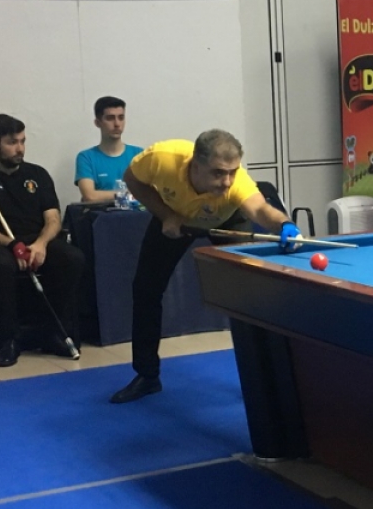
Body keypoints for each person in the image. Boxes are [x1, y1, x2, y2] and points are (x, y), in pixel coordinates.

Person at [109, 130, 302, 403]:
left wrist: (285, 224)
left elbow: (260, 210)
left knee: (248, 297)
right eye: (218, 173)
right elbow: (133, 180)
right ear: (195, 166)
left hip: (227, 220)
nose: (227, 181)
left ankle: (262, 379)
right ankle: (147, 376)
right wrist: (166, 215)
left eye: (232, 172)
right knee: (145, 290)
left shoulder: (235, 184)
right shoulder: (161, 158)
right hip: (177, 216)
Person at [0, 114, 84, 367]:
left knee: (73, 258)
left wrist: (40, 244)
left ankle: (50, 332)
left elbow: (53, 219)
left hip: (36, 240)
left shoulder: (38, 174)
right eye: (12, 142)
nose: (20, 149)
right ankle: (10, 338)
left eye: (22, 141)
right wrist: (11, 245)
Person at [75, 96, 144, 202]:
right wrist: (131, 194)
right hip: (101, 212)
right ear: (97, 123)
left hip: (137, 212)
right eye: (110, 118)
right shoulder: (86, 157)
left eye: (121, 118)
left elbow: (151, 192)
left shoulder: (139, 154)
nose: (117, 124)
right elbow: (90, 196)